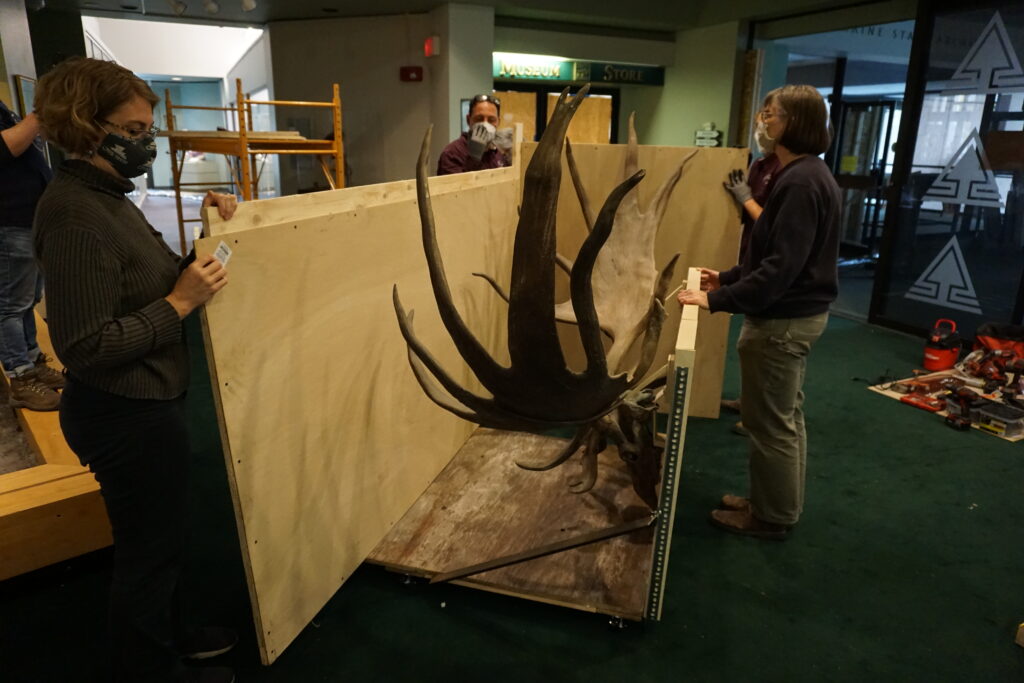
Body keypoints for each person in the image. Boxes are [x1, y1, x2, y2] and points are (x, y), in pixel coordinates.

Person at [33, 57, 239, 683]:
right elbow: (84, 345)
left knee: (164, 541)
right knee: (148, 555)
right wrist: (179, 304)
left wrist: (209, 235)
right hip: (124, 410)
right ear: (87, 128)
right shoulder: (75, 214)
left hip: (149, 401)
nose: (147, 140)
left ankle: (174, 637)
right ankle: (150, 670)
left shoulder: (110, 200)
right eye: (135, 128)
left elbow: (146, 281)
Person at [677, 84, 840, 541]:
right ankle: (774, 504)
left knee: (772, 428)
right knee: (783, 421)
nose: (764, 122)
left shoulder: (802, 181)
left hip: (782, 323)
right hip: (791, 317)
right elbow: (772, 248)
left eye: (772, 115)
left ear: (794, 123)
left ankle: (770, 519)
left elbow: (780, 269)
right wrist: (727, 278)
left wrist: (715, 300)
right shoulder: (801, 174)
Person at [719, 91, 785, 430]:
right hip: (751, 258)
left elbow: (771, 224)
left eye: (770, 114)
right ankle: (748, 402)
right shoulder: (760, 163)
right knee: (750, 342)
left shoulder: (788, 171)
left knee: (764, 348)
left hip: (771, 272)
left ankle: (759, 415)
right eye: (763, 113)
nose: (762, 121)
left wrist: (745, 200)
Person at [0, 97, 64, 410]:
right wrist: (39, 116)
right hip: (8, 220)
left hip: (27, 219)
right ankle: (21, 377)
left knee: (26, 299)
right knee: (10, 305)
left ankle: (32, 360)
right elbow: (5, 147)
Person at [436, 93, 511, 175]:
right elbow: (455, 186)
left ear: (498, 122)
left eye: (491, 120)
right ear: (468, 120)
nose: (485, 124)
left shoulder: (497, 153)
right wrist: (473, 159)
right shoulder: (452, 153)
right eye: (479, 118)